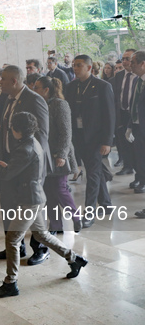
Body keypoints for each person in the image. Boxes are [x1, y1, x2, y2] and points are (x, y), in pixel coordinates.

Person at [0, 112, 88, 298]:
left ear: (17, 130)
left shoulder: (24, 148)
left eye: (12, 127)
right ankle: (74, 259)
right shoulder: (33, 143)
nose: (10, 130)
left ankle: (11, 283)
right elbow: (19, 169)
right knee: (42, 235)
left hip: (30, 200)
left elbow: (8, 174)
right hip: (36, 196)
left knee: (12, 239)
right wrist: (4, 165)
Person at [0, 65, 51, 265]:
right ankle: (15, 246)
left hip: (27, 164)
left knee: (31, 209)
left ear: (14, 81)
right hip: (10, 161)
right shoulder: (7, 99)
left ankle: (40, 249)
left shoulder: (34, 100)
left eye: (3, 79)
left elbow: (41, 135)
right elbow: (5, 131)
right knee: (8, 206)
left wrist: (35, 166)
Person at [66, 55, 115, 229]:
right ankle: (106, 203)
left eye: (79, 65)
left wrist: (107, 141)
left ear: (88, 67)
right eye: (74, 65)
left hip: (96, 139)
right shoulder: (71, 87)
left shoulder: (102, 86)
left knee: (92, 174)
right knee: (96, 170)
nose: (75, 68)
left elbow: (110, 116)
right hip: (78, 137)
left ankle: (89, 213)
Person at [34, 77, 81, 233]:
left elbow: (66, 133)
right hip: (45, 155)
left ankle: (76, 217)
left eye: (38, 88)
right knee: (48, 192)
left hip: (59, 155)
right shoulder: (41, 104)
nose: (35, 91)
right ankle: (55, 225)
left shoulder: (60, 105)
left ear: (46, 90)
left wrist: (61, 154)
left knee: (60, 189)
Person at [112, 49, 138, 177]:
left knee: (137, 143)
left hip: (135, 114)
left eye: (127, 59)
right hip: (121, 113)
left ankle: (139, 171)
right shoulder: (119, 75)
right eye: (123, 59)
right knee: (123, 142)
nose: (125, 61)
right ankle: (127, 166)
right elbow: (116, 96)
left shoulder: (139, 75)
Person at [128, 50, 145, 202]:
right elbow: (132, 105)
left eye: (133, 62)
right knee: (140, 162)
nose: (130, 65)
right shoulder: (136, 80)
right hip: (138, 128)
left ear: (143, 64)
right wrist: (130, 126)